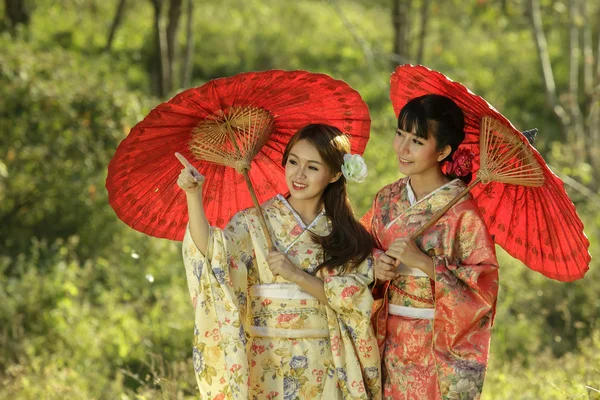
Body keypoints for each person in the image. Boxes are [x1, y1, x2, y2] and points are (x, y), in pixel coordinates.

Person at [178, 123, 382, 399]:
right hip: (266, 360)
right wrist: (193, 195)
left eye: (312, 167)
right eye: (293, 162)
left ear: (334, 174)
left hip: (323, 360)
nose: (298, 174)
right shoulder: (252, 222)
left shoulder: (348, 236)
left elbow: (354, 302)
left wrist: (297, 275)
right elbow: (213, 255)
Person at [362, 94, 499, 399]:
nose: (403, 148)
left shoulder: (463, 211)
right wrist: (377, 264)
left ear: (444, 151)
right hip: (386, 340)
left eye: (418, 141)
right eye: (400, 134)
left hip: (435, 346)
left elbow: (483, 286)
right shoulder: (386, 199)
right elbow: (362, 248)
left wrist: (424, 263)